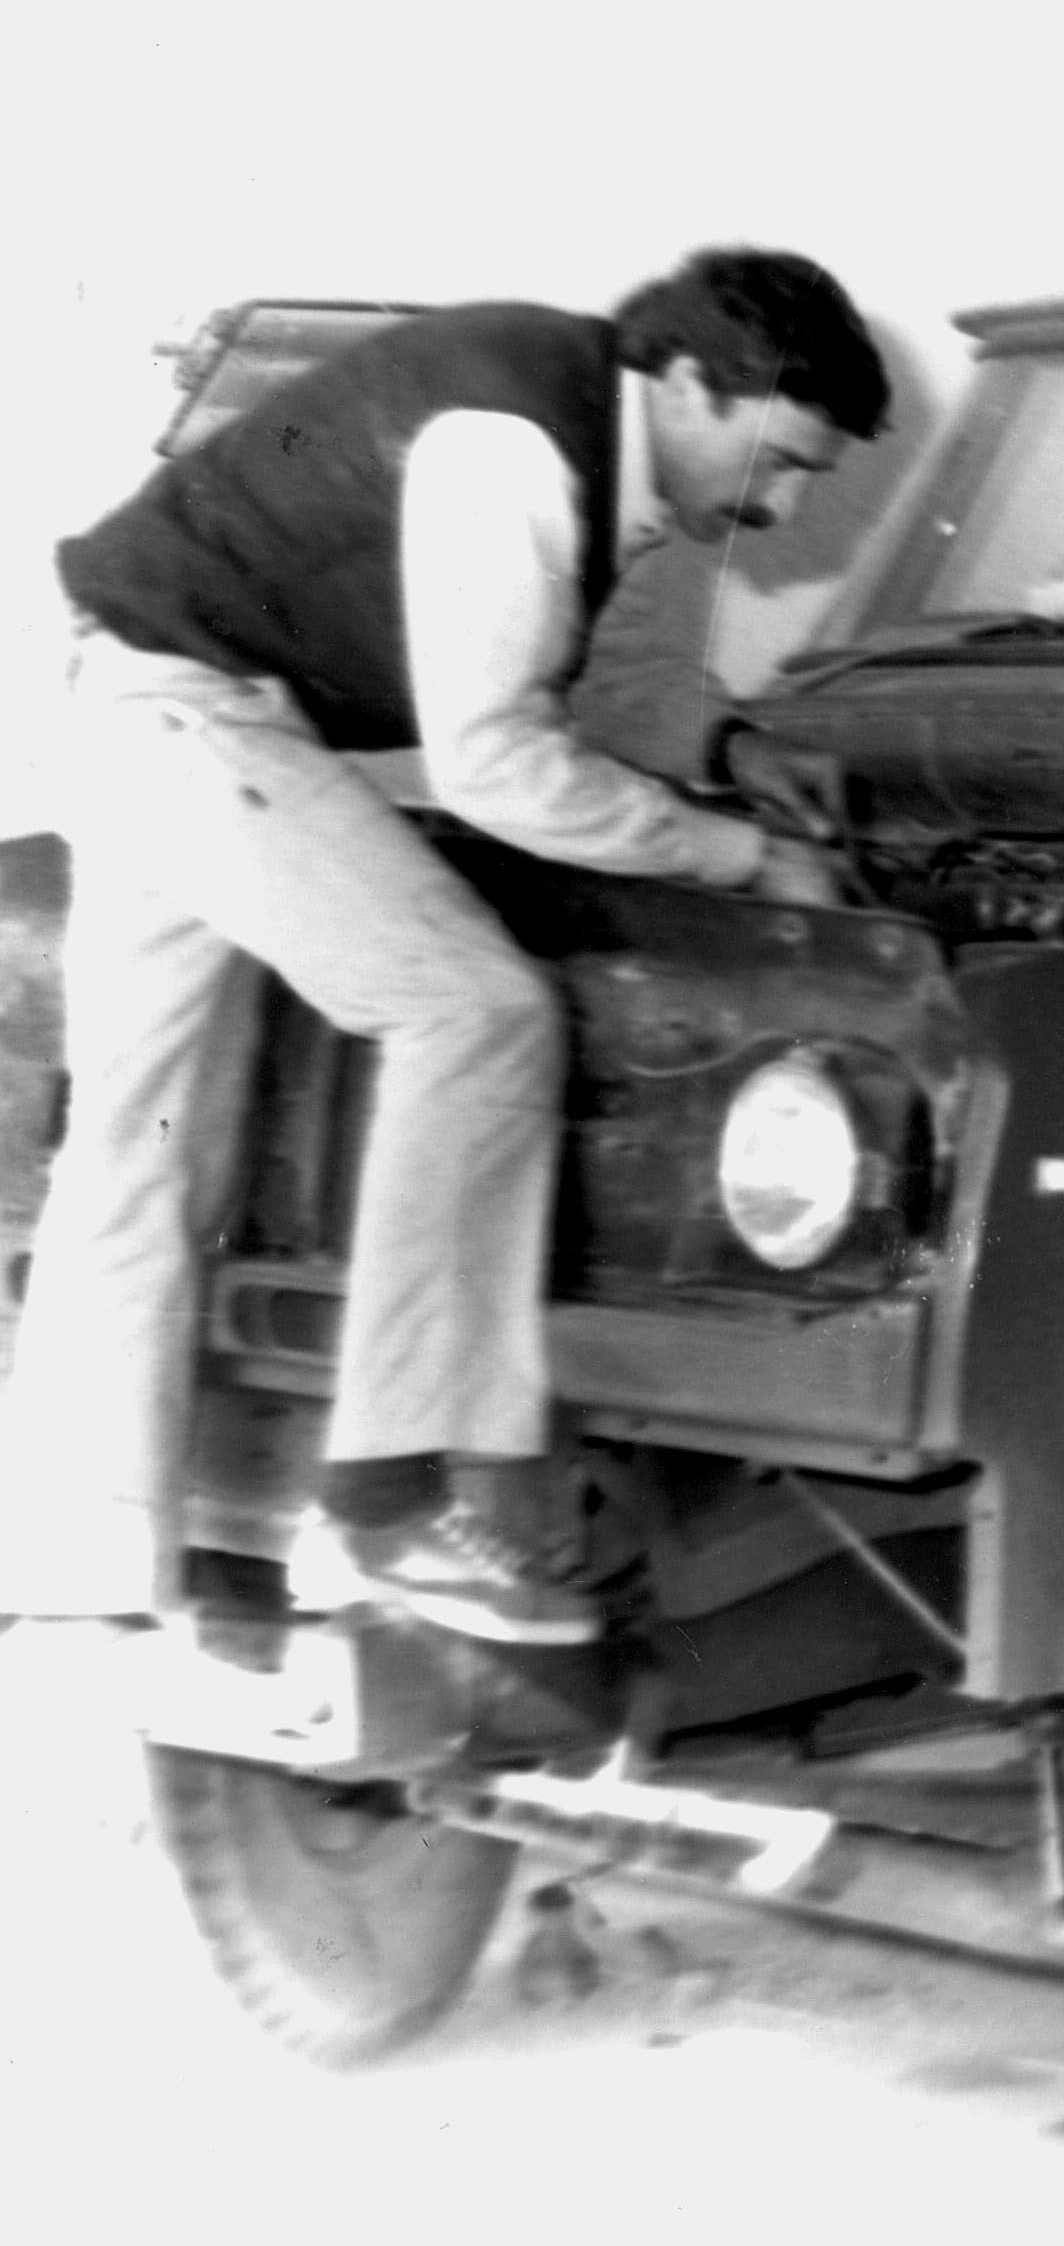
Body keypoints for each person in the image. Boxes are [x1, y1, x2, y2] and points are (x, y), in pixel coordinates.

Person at [0, 251, 889, 1648]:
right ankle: (391, 1508)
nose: (777, 505)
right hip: (193, 713)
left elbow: (601, 669)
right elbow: (491, 765)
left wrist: (733, 746)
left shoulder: (578, 410)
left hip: (133, 685)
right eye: (776, 461)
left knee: (145, 1137)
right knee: (477, 1014)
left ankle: (72, 1566)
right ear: (690, 382)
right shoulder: (519, 448)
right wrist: (742, 855)